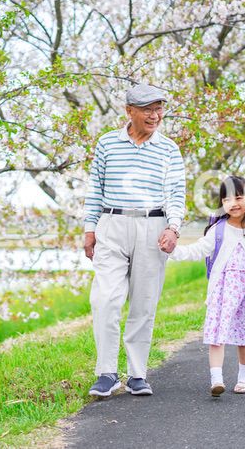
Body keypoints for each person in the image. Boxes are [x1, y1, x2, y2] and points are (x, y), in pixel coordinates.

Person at [83, 83, 186, 397]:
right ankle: (106, 372)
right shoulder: (107, 143)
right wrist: (89, 229)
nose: (155, 116)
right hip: (111, 223)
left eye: (159, 109)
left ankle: (137, 374)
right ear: (129, 111)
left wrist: (173, 228)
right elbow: (95, 188)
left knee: (144, 302)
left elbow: (176, 193)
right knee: (104, 299)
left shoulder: (168, 149)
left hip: (152, 226)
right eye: (147, 110)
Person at [170, 175, 245, 396]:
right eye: (227, 199)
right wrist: (173, 251)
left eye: (238, 197)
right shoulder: (218, 229)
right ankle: (216, 380)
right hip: (221, 291)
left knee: (243, 337)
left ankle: (244, 378)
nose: (233, 204)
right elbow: (197, 250)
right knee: (217, 335)